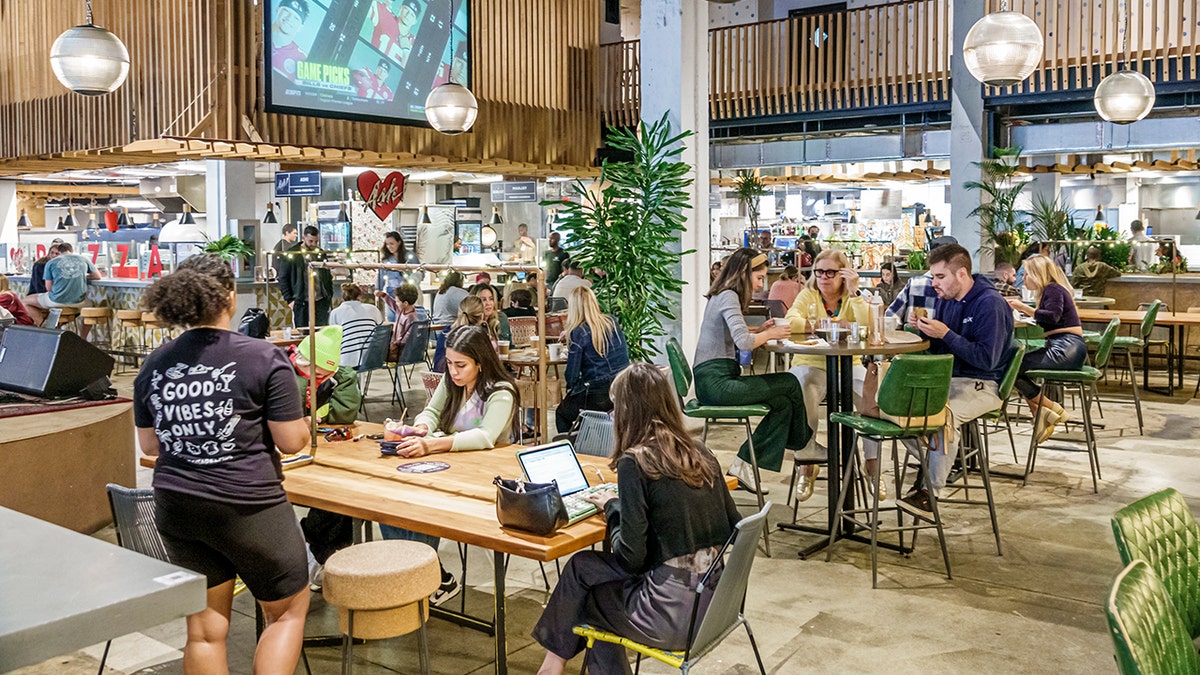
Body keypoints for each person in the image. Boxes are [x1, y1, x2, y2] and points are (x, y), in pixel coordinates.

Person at [133, 254, 311, 673]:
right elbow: (291, 443)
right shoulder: (264, 357)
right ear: (230, 295)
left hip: (177, 505)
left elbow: (150, 445)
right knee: (286, 612)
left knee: (204, 630)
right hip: (249, 506)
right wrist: (303, 423)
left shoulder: (155, 363)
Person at [532, 362, 742, 675]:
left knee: (589, 600)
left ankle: (551, 666)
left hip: (672, 616)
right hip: (716, 603)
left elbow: (631, 559)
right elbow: (734, 527)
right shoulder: (700, 451)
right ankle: (553, 664)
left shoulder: (636, 462)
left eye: (615, 407)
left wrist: (614, 508)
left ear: (629, 411)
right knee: (582, 567)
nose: (612, 415)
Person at [383, 325, 521, 605]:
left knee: (426, 505)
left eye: (461, 365)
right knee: (389, 501)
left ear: (481, 364)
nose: (454, 371)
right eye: (449, 364)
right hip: (448, 467)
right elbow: (432, 411)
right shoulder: (452, 383)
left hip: (485, 478)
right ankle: (420, 571)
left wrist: (432, 443)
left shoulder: (502, 391)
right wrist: (421, 427)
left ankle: (427, 575)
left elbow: (485, 436)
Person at [887, 243, 1013, 512]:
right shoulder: (945, 301)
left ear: (962, 274)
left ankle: (930, 493)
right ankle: (934, 458)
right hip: (948, 381)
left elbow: (986, 359)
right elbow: (940, 349)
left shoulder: (989, 303)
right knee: (893, 410)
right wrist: (921, 331)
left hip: (983, 385)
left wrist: (945, 334)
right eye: (932, 276)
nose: (934, 283)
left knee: (942, 418)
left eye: (940, 276)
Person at [694, 248, 810, 494]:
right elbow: (743, 343)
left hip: (713, 380)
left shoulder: (721, 294)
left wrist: (760, 330)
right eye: (758, 278)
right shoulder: (728, 296)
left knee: (783, 402)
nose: (759, 285)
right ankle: (804, 446)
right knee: (789, 382)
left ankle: (743, 465)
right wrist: (771, 333)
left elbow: (736, 333)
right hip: (717, 384)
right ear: (744, 273)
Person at [785, 250, 870, 501]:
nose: (823, 277)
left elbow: (869, 327)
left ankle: (872, 467)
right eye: (819, 272)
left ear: (844, 274)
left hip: (849, 363)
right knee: (803, 386)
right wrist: (822, 326)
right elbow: (790, 322)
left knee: (872, 397)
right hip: (811, 361)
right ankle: (808, 461)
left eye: (831, 272)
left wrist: (855, 293)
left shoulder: (853, 298)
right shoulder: (808, 295)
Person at [1008, 256, 1085, 444]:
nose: (1023, 278)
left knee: (1011, 367)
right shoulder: (1050, 291)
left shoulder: (1053, 289)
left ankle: (1052, 409)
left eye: (1027, 274)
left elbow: (1052, 316)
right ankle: (1040, 415)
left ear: (1037, 274)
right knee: (1013, 366)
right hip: (1067, 347)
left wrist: (1023, 308)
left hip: (1066, 348)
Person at [557, 286, 630, 433]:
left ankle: (571, 450)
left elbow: (571, 375)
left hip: (597, 393)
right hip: (622, 388)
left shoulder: (578, 333)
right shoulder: (612, 322)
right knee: (585, 416)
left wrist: (572, 389)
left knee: (562, 414)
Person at [24, 242, 100, 337]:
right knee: (91, 308)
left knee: (25, 302)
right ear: (72, 250)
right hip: (78, 302)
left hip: (55, 301)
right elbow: (97, 276)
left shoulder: (51, 263)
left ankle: (45, 328)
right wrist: (81, 277)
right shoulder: (84, 259)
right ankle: (83, 338)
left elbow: (49, 288)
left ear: (59, 252)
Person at [885, 236, 957, 324]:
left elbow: (890, 317)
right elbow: (890, 317)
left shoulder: (916, 283)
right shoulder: (916, 284)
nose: (935, 284)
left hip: (917, 337)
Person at [279, 226, 334, 328]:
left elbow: (327, 275)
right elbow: (283, 278)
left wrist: (329, 295)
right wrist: (289, 300)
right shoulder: (293, 254)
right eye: (311, 241)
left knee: (322, 332)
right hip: (301, 301)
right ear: (303, 238)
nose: (314, 244)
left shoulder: (320, 253)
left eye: (316, 241)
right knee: (302, 332)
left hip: (321, 300)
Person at [328, 283, 383, 367]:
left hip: (348, 358)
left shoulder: (335, 313)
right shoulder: (372, 308)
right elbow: (381, 330)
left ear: (343, 297)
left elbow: (334, 337)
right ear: (360, 296)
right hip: (373, 356)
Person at [375, 231, 417, 320]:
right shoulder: (386, 260)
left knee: (404, 318)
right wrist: (378, 289)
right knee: (391, 318)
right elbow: (380, 276)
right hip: (391, 293)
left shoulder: (409, 256)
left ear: (399, 242)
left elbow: (418, 272)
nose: (389, 246)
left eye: (392, 243)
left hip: (405, 294)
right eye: (387, 244)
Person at [376, 283, 423, 360]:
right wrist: (383, 295)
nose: (396, 303)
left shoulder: (411, 318)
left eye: (397, 301)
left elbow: (408, 336)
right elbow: (393, 304)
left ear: (405, 303)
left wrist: (396, 343)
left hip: (403, 350)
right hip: (398, 346)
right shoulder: (403, 310)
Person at [271, 0, 310, 81]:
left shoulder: (301, 58)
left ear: (300, 27)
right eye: (286, 11)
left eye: (296, 18)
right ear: (277, 9)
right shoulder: (256, 37)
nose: (289, 18)